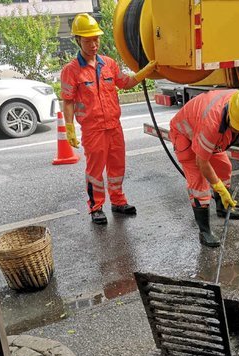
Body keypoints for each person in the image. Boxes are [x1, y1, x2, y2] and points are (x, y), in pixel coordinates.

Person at [61, 13, 156, 225]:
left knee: (117, 166)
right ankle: (96, 208)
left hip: (114, 126)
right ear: (78, 40)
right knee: (95, 171)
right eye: (88, 40)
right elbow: (67, 101)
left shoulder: (109, 64)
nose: (93, 44)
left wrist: (144, 72)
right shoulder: (71, 70)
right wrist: (69, 128)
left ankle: (118, 201)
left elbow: (126, 83)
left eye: (96, 39)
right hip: (93, 129)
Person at [168, 89, 239, 247]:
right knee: (199, 185)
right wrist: (218, 187)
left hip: (203, 129)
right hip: (185, 135)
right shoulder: (211, 123)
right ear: (229, 114)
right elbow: (202, 162)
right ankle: (204, 231)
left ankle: (222, 208)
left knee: (224, 168)